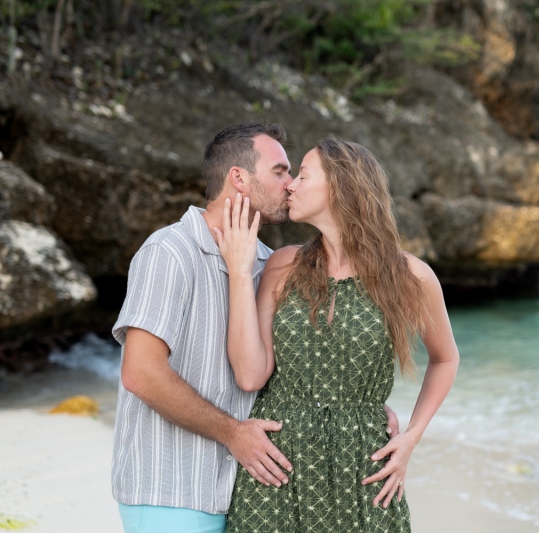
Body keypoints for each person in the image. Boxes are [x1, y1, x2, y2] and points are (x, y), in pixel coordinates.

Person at [111, 123, 400, 533]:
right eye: (281, 171)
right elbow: (141, 374)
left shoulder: (270, 263)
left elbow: (278, 366)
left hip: (248, 491)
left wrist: (361, 403)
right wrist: (233, 434)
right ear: (239, 178)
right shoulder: (170, 253)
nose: (289, 185)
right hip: (172, 491)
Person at [216, 136, 460, 532]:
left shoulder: (410, 276)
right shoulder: (283, 265)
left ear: (342, 187)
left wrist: (412, 437)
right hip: (278, 466)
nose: (291, 184)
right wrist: (241, 273)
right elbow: (249, 375)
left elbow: (446, 359)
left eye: (304, 175)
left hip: (364, 467)